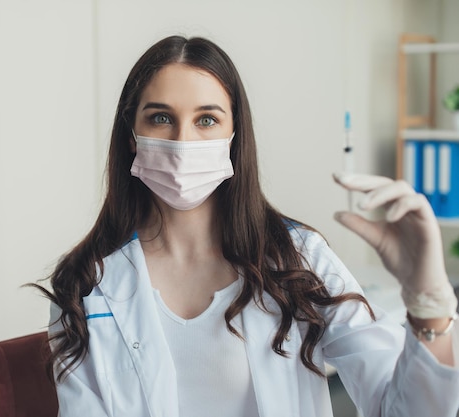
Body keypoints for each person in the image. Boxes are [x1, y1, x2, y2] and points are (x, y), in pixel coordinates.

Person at [36, 35, 459, 417]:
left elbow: (407, 411)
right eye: (161, 118)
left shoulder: (299, 257)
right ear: (132, 135)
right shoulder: (85, 284)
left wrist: (430, 303)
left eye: (207, 120)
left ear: (234, 135)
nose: (184, 141)